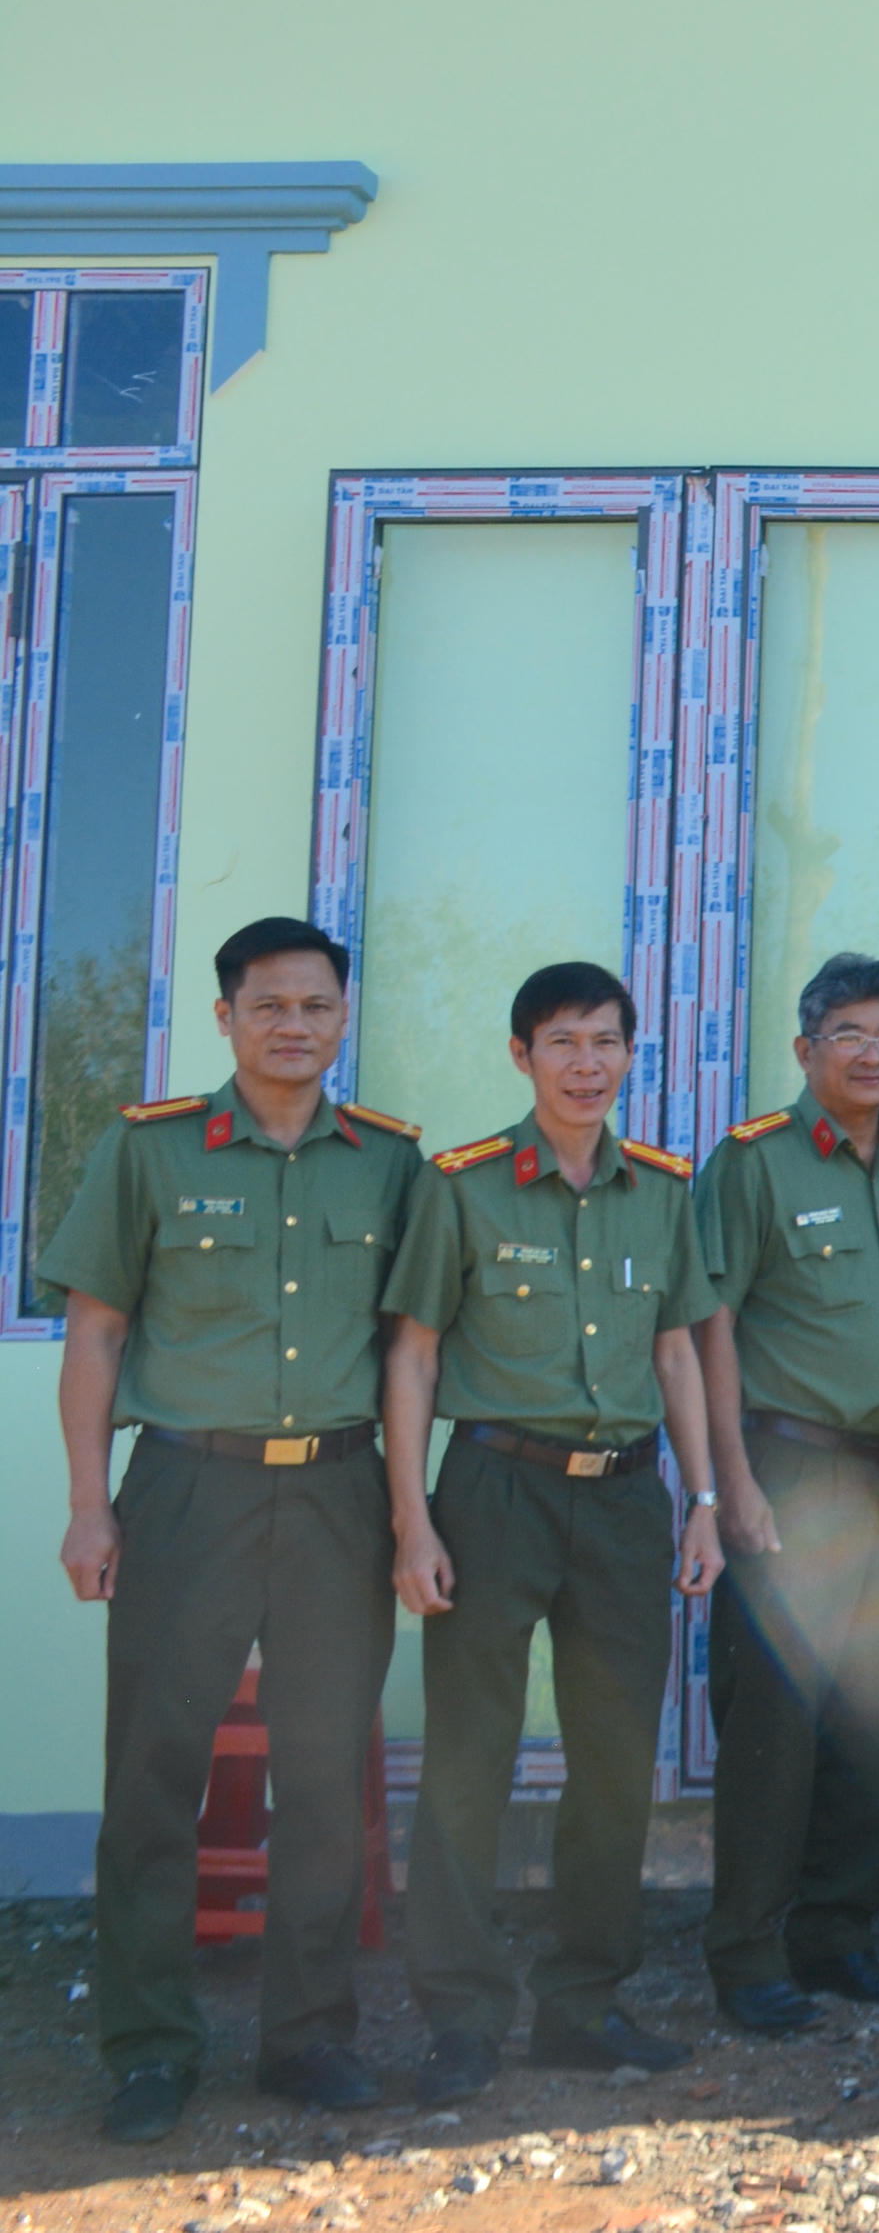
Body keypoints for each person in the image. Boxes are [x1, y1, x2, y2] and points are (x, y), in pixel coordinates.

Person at [43, 918, 422, 2142]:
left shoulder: (390, 1163)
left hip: (337, 1494)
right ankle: (150, 2048)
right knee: (154, 1775)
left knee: (322, 1777)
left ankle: (308, 2038)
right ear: (225, 1017)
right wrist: (88, 1502)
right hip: (186, 1492)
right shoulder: (149, 1150)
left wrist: (408, 1513)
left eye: (315, 1006)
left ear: (342, 1017)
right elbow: (96, 1330)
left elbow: (411, 1349)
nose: (293, 1026)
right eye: (269, 1006)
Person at [383, 962, 724, 2100]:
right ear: (521, 1054)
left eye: (606, 1042)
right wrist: (412, 1519)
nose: (587, 1064)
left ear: (631, 1054)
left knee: (617, 1760)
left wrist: (704, 1502)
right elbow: (414, 1357)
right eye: (564, 1042)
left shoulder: (662, 1192)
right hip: (495, 1489)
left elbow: (676, 1352)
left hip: (624, 1499)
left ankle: (585, 2004)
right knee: (468, 1757)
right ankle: (461, 2014)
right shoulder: (463, 1186)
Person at [690, 953, 879, 2035]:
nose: (873, 1054)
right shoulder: (752, 1163)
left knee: (878, 1723)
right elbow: (709, 1327)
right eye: (850, 1034)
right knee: (775, 1728)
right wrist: (729, 1484)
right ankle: (748, 1953)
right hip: (795, 1476)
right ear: (806, 1049)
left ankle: (838, 1935)